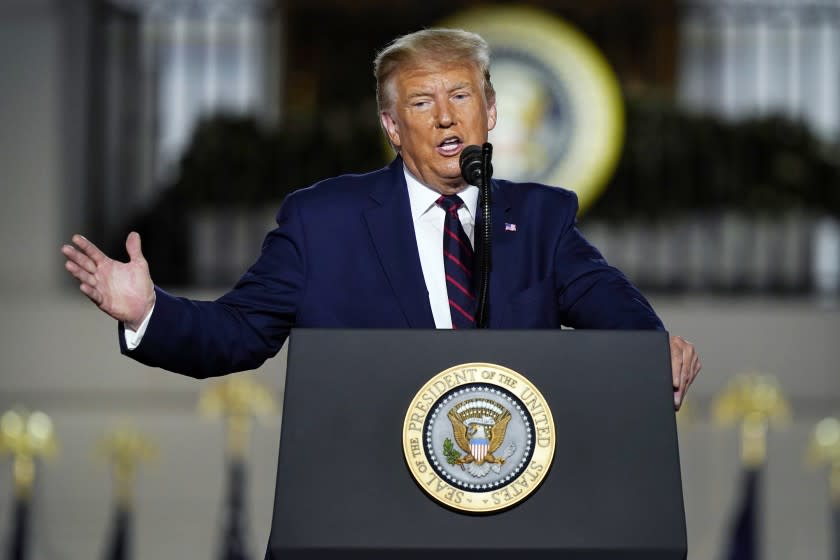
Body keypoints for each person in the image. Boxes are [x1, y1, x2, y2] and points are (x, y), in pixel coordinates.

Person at [61, 28, 700, 408]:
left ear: (492, 110)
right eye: (422, 102)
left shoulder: (539, 217)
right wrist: (149, 311)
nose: (447, 117)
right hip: (363, 506)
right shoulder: (323, 222)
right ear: (392, 127)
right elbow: (237, 333)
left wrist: (652, 350)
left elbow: (609, 302)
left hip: (508, 511)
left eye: (461, 96)